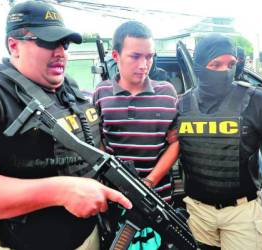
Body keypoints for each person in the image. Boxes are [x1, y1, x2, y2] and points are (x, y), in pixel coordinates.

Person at [0, 1, 132, 250]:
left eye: (63, 44)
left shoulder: (71, 90)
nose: (61, 52)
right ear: (14, 45)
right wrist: (59, 191)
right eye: (48, 42)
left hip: (88, 235)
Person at [177, 33, 262, 250]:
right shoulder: (182, 105)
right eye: (215, 64)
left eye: (231, 64)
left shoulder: (259, 101)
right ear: (199, 67)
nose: (225, 71)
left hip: (242, 214)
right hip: (198, 215)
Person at [93, 21, 179, 249]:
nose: (144, 65)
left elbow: (175, 143)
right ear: (116, 55)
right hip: (116, 200)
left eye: (149, 56)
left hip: (158, 201)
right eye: (135, 56)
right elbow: (99, 143)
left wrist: (149, 182)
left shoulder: (167, 93)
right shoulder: (101, 94)